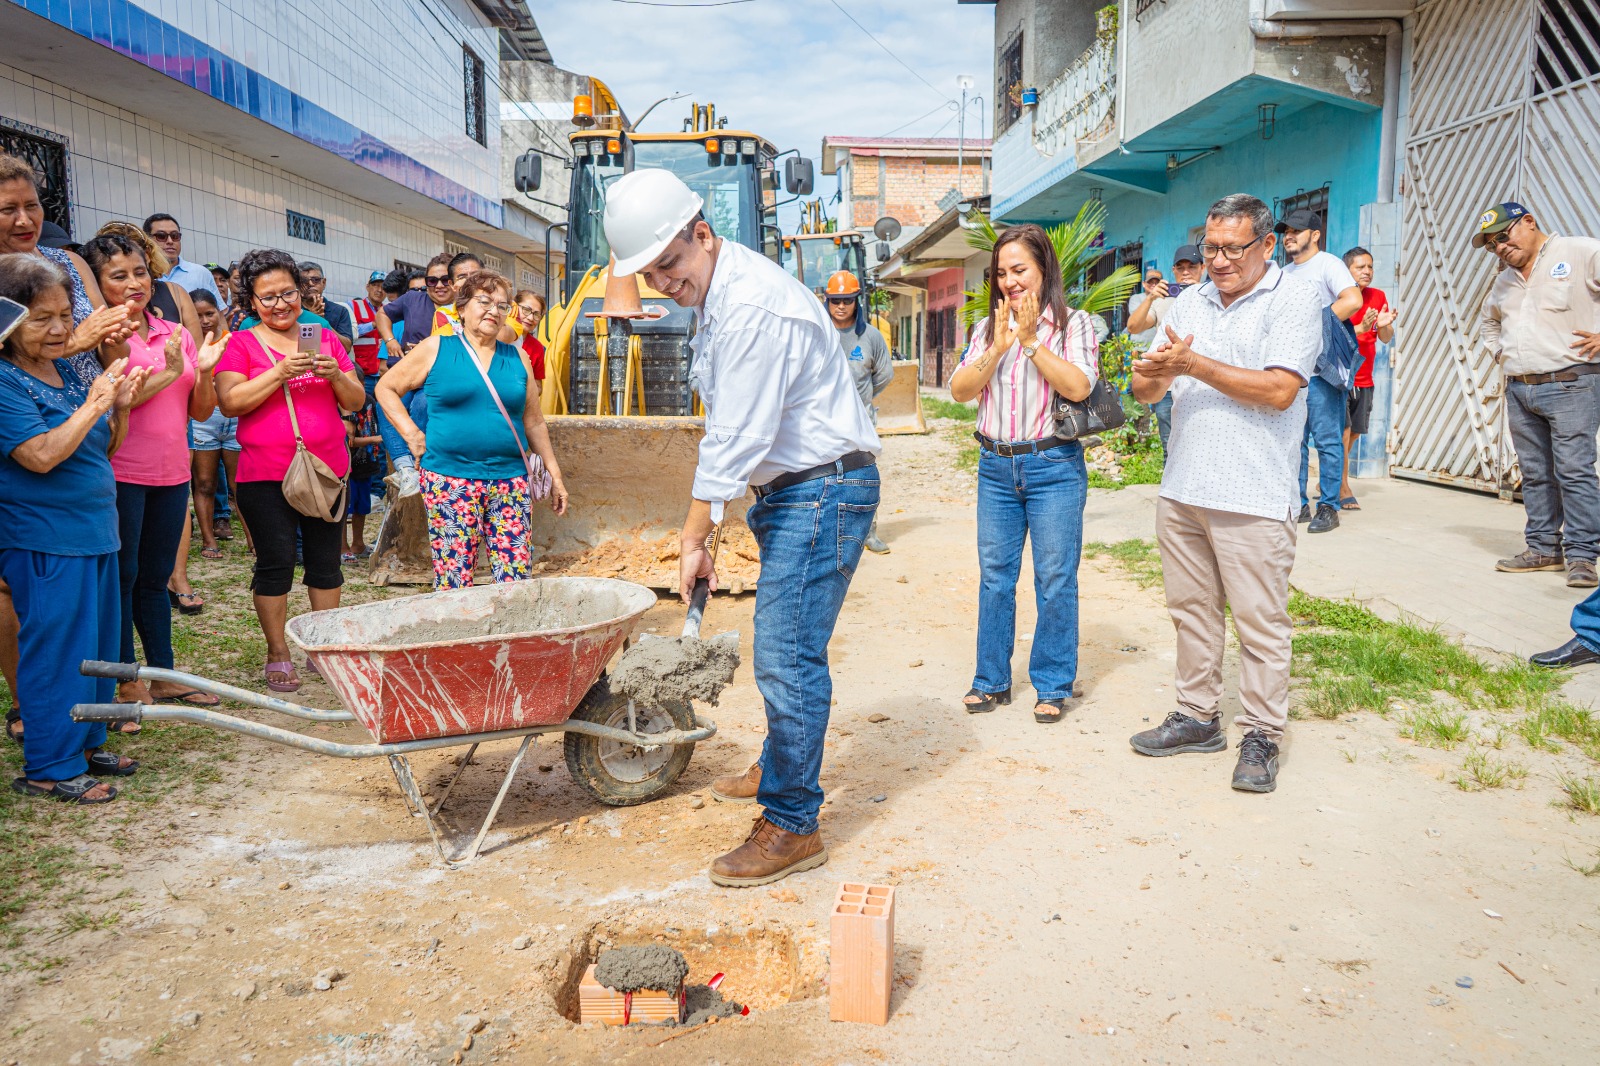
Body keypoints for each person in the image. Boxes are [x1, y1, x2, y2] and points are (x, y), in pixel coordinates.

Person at [604, 168, 881, 886]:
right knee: (783, 645)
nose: (663, 282)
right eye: (649, 273)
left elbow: (736, 437)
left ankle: (792, 823)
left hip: (822, 489)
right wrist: (720, 519)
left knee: (787, 655)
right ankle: (779, 764)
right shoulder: (720, 292)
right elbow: (738, 430)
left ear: (703, 233)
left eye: (670, 263)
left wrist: (694, 536)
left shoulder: (752, 305)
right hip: (793, 489)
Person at [1127, 194, 1323, 794]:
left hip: (1253, 493)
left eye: (1232, 249)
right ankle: (1197, 715)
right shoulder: (1191, 301)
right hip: (1184, 487)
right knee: (1191, 612)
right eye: (1210, 247)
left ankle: (1261, 733)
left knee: (1260, 623)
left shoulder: (1294, 298)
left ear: (1267, 244)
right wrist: (1150, 374)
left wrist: (1192, 364)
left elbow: (1280, 390)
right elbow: (1148, 393)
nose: (1218, 260)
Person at [0, 153, 134, 746]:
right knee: (52, 643)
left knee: (93, 641)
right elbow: (37, 455)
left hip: (91, 520)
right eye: (8, 209)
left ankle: (87, 743)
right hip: (43, 523)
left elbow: (103, 442)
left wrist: (116, 402)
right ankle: (51, 755)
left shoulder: (64, 368)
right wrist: (91, 390)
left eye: (32, 205)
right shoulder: (10, 376)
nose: (24, 219)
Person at [947, 226, 1097, 725]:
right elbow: (960, 391)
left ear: (1043, 269)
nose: (1009, 281)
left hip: (1053, 466)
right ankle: (990, 680)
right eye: (1001, 273)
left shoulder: (1074, 325)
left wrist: (1031, 342)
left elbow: (1078, 386)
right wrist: (999, 346)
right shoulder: (986, 328)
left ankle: (1052, 684)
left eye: (1019, 270)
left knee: (1055, 578)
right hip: (995, 468)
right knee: (995, 578)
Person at [80, 235, 224, 709]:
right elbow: (120, 398)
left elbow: (199, 411)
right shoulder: (106, 335)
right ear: (98, 284)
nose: (133, 283)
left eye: (139, 272)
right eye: (118, 276)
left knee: (157, 576)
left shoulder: (175, 332)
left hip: (172, 472)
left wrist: (203, 371)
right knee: (123, 577)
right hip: (121, 472)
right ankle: (126, 680)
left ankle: (163, 674)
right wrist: (169, 372)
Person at [215, 250, 364, 693]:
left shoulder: (323, 335)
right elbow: (231, 402)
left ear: (301, 292)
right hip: (264, 474)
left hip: (326, 470)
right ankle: (277, 651)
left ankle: (322, 647)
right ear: (251, 301)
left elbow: (355, 401)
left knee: (326, 563)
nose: (280, 304)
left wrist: (336, 375)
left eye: (288, 293)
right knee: (276, 563)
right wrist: (279, 372)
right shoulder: (241, 343)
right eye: (268, 297)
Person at [376, 270, 569, 588]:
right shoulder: (436, 348)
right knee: (454, 582)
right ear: (462, 308)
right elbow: (385, 388)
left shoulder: (518, 358)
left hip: (510, 483)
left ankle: (506, 623)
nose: (494, 311)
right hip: (450, 481)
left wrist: (555, 475)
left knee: (515, 581)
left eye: (502, 306)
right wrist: (412, 434)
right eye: (485, 302)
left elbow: (533, 421)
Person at [1479, 203, 1600, 591]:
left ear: (1529, 222)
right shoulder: (1504, 281)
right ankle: (1544, 548)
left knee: (1574, 471)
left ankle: (1582, 556)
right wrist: (1501, 353)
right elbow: (1489, 322)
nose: (1500, 247)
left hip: (1571, 384)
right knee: (1535, 475)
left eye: (1503, 236)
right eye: (1492, 245)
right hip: (1520, 389)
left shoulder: (1580, 252)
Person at [1277, 209, 1361, 534]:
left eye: (1296, 230)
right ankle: (1297, 504)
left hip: (1322, 372)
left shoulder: (1328, 264)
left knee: (1327, 441)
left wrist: (1312, 326)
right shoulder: (1282, 274)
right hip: (1290, 372)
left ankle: (1329, 506)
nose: (1289, 236)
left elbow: (1352, 299)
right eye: (1286, 231)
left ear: (1315, 235)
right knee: (1293, 442)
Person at [824, 270, 894, 554]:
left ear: (857, 301)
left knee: (863, 474)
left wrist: (861, 399)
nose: (841, 306)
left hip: (860, 419)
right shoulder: (818, 332)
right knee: (825, 475)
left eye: (847, 300)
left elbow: (884, 374)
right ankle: (830, 532)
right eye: (835, 300)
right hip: (823, 418)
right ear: (827, 301)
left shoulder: (871, 337)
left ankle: (868, 531)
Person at [375, 253, 455, 494]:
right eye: (432, 280)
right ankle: (405, 468)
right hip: (409, 374)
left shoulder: (464, 308)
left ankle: (416, 464)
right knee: (385, 404)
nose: (439, 285)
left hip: (440, 378)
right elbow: (383, 314)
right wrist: (390, 340)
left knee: (422, 405)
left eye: (445, 279)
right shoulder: (413, 299)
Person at [187, 289, 248, 559]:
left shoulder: (232, 340)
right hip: (203, 419)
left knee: (240, 484)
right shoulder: (186, 343)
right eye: (197, 315)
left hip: (234, 416)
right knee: (204, 484)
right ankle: (208, 539)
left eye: (209, 313)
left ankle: (253, 539)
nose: (204, 320)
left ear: (218, 312)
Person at [1126, 245, 1204, 454]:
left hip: (1199, 382)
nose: (1186, 272)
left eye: (1192, 267)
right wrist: (1151, 297)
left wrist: (1198, 292)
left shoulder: (1211, 296)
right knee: (1169, 445)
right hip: (1167, 384)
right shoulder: (1164, 300)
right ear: (1173, 270)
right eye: (1181, 267)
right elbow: (1133, 327)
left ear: (1202, 268)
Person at [1339, 247, 1396, 510]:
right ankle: (1342, 487)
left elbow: (1385, 338)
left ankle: (1331, 475)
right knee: (1343, 432)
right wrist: (1360, 328)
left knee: (1355, 433)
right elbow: (1331, 334)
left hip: (1365, 377)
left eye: (1370, 266)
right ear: (1347, 270)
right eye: (1360, 267)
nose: (1367, 271)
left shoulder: (1378, 296)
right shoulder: (1339, 296)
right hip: (1341, 378)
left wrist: (1384, 324)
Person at [142, 213, 219, 302]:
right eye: (161, 236)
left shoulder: (201, 273)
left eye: (175, 236)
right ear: (147, 240)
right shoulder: (140, 274)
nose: (170, 241)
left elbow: (218, 310)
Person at [298, 262, 353, 352]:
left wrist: (322, 322)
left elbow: (346, 348)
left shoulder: (340, 311)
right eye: (304, 281)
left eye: (315, 280)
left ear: (323, 283)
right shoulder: (292, 310)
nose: (310, 284)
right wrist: (309, 318)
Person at [349, 270, 387, 395]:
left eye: (383, 287)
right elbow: (349, 332)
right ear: (367, 287)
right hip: (362, 374)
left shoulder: (388, 310)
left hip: (383, 374)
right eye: (375, 285)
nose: (379, 290)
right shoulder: (353, 306)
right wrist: (373, 324)